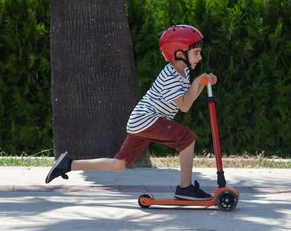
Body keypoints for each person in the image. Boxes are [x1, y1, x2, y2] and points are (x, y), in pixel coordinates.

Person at [45, 24, 217, 200]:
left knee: (119, 164)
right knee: (186, 138)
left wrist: (202, 83)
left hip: (142, 121)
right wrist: (198, 83)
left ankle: (68, 164)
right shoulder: (170, 76)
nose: (200, 56)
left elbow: (187, 98)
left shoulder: (184, 70)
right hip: (147, 119)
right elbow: (185, 106)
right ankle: (185, 188)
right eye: (196, 52)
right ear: (180, 54)